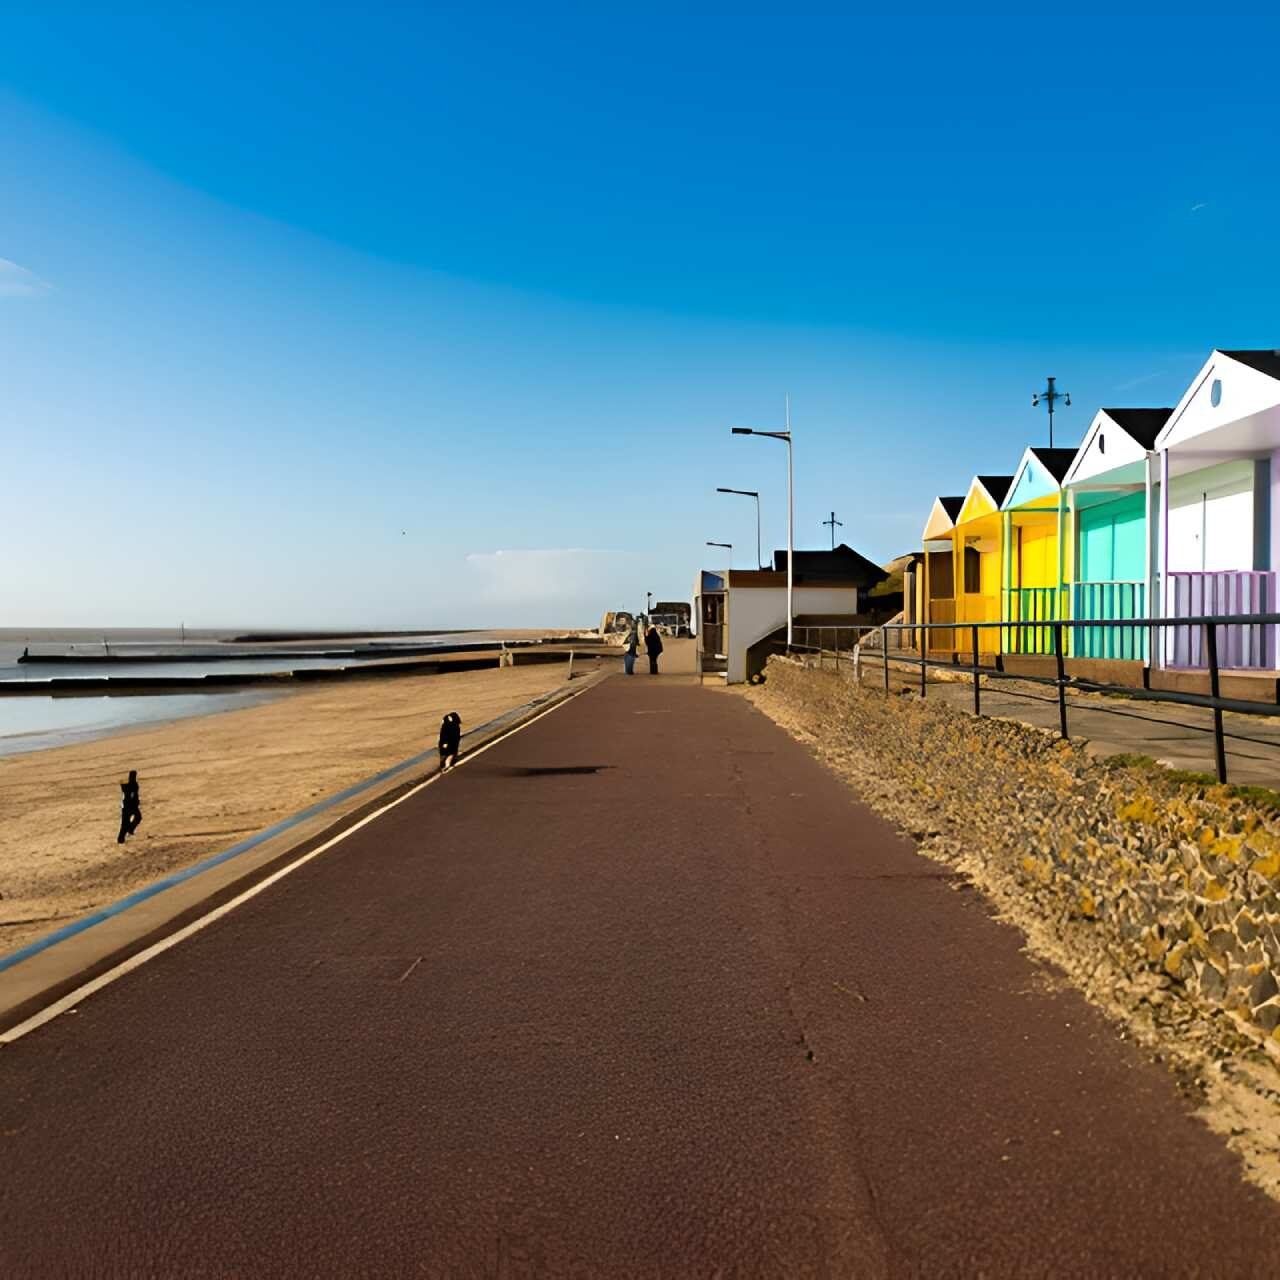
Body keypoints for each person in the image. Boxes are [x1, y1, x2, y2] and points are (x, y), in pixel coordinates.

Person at [117, 770, 142, 844]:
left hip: (131, 806)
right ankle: (121, 839)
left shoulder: (131, 785)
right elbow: (130, 794)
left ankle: (129, 830)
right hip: (128, 806)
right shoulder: (131, 786)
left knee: (137, 818)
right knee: (125, 823)